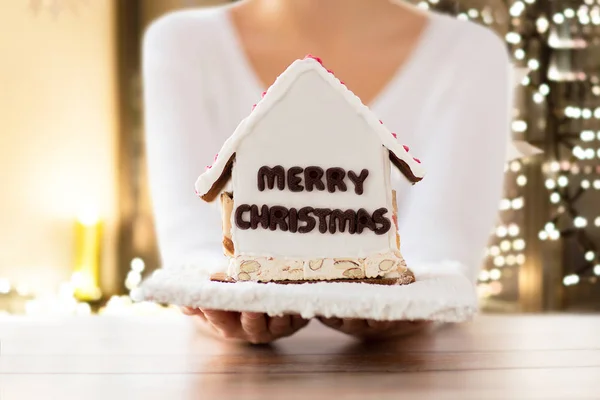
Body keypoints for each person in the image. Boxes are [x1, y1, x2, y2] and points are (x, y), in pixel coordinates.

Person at [143, 0, 510, 343]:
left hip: (408, 376)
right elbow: (190, 245)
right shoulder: (181, 45)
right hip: (232, 377)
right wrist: (213, 297)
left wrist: (417, 303)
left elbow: (443, 248)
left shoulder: (471, 54)